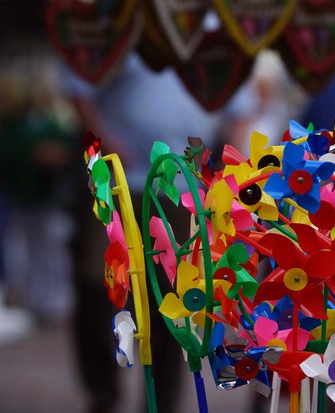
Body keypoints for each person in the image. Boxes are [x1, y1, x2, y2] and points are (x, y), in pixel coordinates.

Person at [64, 53, 220, 413]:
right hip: (116, 184)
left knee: (173, 298)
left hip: (182, 190)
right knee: (100, 286)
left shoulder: (215, 38)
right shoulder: (121, 31)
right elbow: (78, 87)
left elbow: (238, 103)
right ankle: (103, 393)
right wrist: (104, 141)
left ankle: (161, 403)